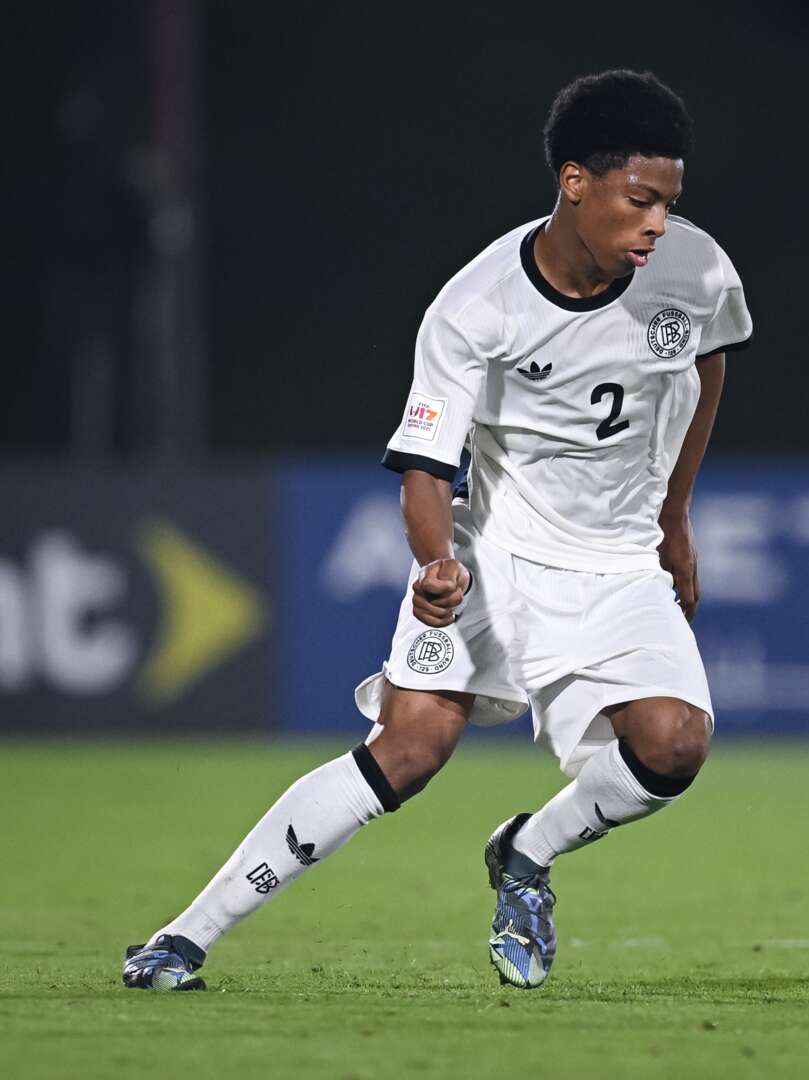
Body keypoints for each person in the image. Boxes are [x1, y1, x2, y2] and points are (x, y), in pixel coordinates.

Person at [123, 69, 750, 992]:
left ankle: (525, 855)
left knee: (674, 746)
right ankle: (185, 935)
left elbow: (708, 368)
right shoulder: (476, 306)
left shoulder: (695, 272)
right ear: (575, 182)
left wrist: (674, 515)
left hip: (619, 562)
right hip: (492, 550)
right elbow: (426, 466)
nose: (659, 223)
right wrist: (437, 564)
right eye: (641, 199)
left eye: (670, 202)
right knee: (408, 752)